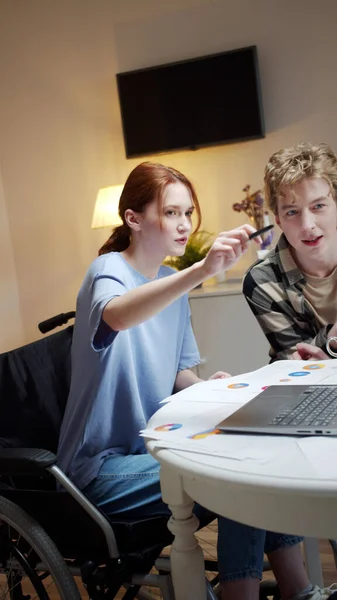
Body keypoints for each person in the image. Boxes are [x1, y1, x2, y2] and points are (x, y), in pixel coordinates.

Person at [57, 161, 336, 600]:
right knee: (237, 475)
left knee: (254, 453)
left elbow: (177, 373)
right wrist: (202, 271)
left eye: (188, 212)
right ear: (133, 219)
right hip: (100, 470)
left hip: (152, 444)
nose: (185, 224)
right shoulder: (106, 271)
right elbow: (118, 315)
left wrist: (215, 386)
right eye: (171, 213)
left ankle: (297, 590)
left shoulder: (170, 281)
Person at [243, 142, 337, 364]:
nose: (307, 225)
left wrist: (328, 347)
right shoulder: (262, 280)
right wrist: (333, 339)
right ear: (278, 221)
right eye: (292, 212)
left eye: (318, 206)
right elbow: (298, 362)